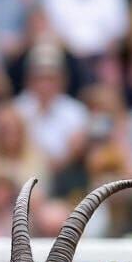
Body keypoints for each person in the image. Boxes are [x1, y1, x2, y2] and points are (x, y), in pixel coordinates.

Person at [12, 41, 88, 192]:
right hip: (24, 177)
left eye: (50, 78)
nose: (45, 84)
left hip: (64, 177)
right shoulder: (17, 108)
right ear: (29, 79)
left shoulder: (75, 111)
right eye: (40, 78)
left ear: (62, 79)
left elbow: (74, 152)